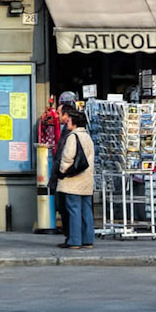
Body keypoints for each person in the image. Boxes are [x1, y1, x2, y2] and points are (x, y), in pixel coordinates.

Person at [56, 101, 95, 249]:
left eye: (69, 120)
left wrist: (62, 172)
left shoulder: (73, 137)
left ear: (73, 121)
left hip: (73, 181)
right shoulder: (87, 137)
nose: (67, 123)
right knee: (86, 210)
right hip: (86, 180)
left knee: (73, 210)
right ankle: (88, 239)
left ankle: (75, 240)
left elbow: (67, 158)